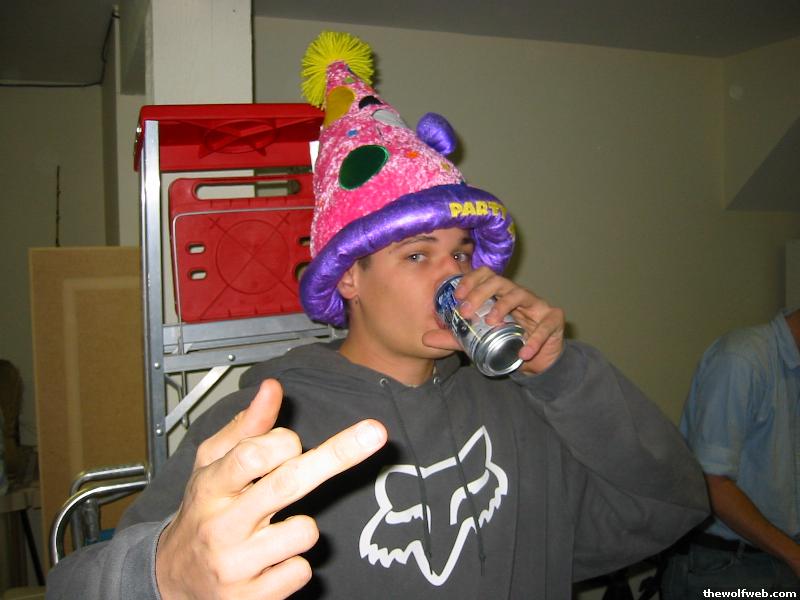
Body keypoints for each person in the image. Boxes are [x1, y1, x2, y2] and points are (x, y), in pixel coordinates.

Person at [46, 31, 708, 599]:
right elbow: (72, 585)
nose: (454, 274)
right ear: (350, 276)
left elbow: (670, 507)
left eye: (461, 251)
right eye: (418, 255)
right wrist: (167, 574)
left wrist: (562, 375)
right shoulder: (268, 420)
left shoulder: (519, 409)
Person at [661, 308, 800, 597]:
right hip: (724, 566)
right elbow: (712, 485)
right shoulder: (742, 357)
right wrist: (794, 556)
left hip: (777, 559)